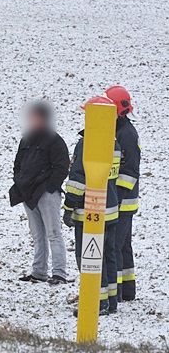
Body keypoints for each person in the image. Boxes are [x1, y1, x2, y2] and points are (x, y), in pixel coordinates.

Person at [63, 96, 121, 315]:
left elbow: (78, 179)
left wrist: (69, 206)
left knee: (88, 257)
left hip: (90, 211)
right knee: (107, 256)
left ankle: (97, 302)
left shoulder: (87, 142)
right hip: (111, 208)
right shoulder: (114, 142)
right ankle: (111, 300)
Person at [9, 100, 70, 285]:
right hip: (27, 194)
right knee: (37, 235)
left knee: (53, 233)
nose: (33, 120)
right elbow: (18, 164)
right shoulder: (26, 139)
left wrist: (50, 187)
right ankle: (39, 272)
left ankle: (59, 273)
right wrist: (20, 182)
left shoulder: (55, 141)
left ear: (44, 118)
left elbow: (62, 167)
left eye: (36, 117)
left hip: (46, 194)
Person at [105, 85, 140, 302]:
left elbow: (130, 171)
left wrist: (115, 196)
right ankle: (127, 290)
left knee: (115, 247)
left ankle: (115, 293)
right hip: (124, 201)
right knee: (124, 246)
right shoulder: (121, 130)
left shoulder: (126, 134)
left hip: (123, 201)